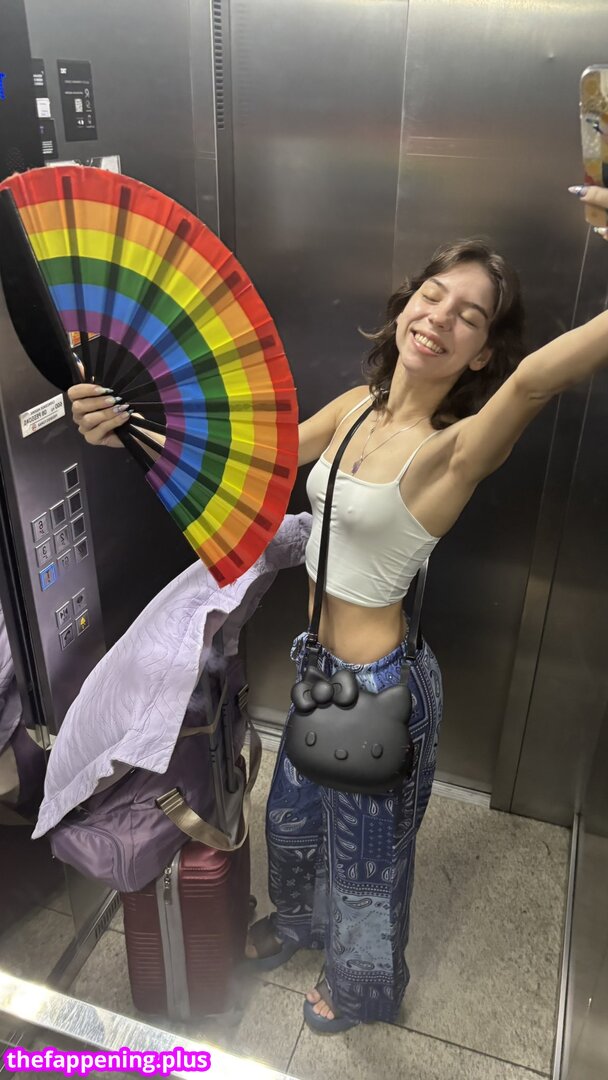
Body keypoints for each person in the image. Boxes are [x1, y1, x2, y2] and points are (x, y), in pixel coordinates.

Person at [69, 184, 608, 1035]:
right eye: (434, 294)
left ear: (481, 355)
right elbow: (254, 458)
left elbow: (539, 380)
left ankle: (360, 990)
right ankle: (299, 926)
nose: (440, 317)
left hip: (380, 688)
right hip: (320, 670)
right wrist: (128, 429)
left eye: (469, 317)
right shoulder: (357, 408)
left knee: (366, 865)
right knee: (291, 824)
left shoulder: (453, 450)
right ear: (407, 303)